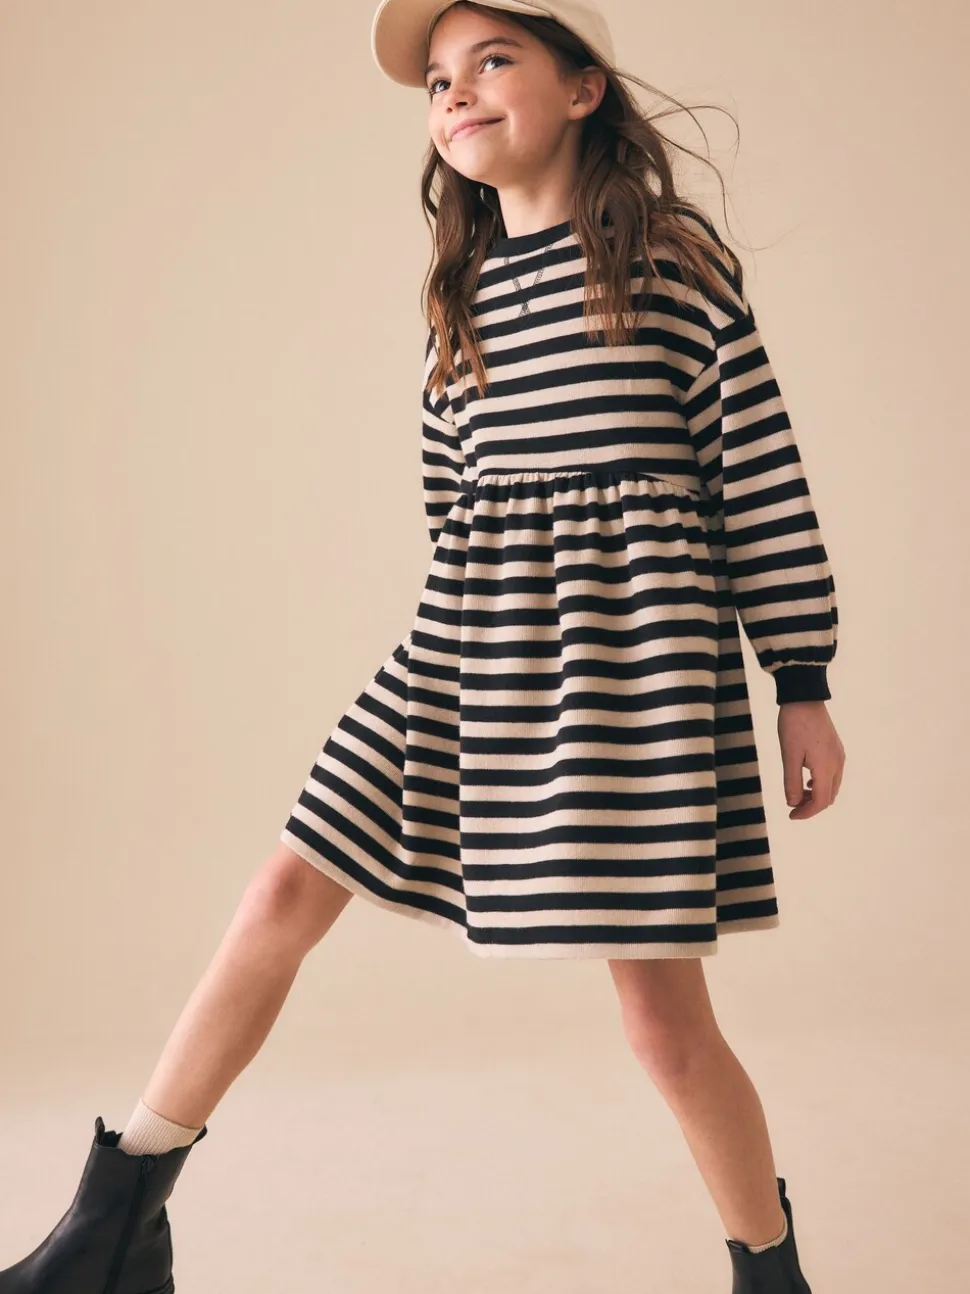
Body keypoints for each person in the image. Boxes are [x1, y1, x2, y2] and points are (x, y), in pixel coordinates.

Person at [0, 2, 843, 1291]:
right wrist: (460, 659)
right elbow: (457, 513)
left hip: (631, 685)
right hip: (464, 653)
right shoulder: (463, 303)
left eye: (494, 59)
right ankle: (110, 1229)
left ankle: (771, 1274)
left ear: (583, 88)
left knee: (664, 1027)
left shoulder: (671, 273)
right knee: (281, 892)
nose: (457, 93)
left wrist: (801, 680)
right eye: (439, 80)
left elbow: (760, 481)